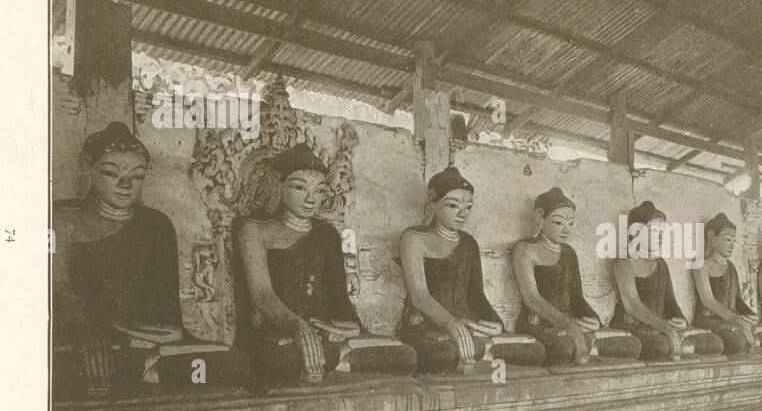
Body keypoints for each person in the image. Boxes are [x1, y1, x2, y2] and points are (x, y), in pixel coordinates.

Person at [54, 122, 248, 396]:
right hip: (86, 339)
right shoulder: (59, 219)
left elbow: (165, 309)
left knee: (233, 363)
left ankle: (146, 370)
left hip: (144, 344)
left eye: (137, 176)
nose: (125, 184)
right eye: (111, 173)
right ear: (88, 167)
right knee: (63, 366)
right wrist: (88, 330)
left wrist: (168, 335)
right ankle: (147, 372)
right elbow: (58, 293)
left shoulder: (156, 224)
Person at [235, 143, 415, 390]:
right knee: (282, 360)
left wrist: (348, 324)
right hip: (278, 332)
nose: (311, 199)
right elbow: (262, 294)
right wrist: (297, 327)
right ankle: (336, 361)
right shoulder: (254, 230)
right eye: (300, 187)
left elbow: (338, 296)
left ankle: (330, 360)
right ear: (278, 184)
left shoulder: (327, 234)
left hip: (325, 334)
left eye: (319, 191)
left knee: (404, 355)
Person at [397, 165, 545, 372]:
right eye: (453, 206)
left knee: (534, 350)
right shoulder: (414, 238)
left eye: (467, 207)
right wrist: (452, 325)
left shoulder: (468, 243)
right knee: (445, 353)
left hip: (469, 320)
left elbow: (476, 295)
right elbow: (420, 295)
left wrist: (494, 323)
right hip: (429, 320)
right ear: (432, 200)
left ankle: (480, 352)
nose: (462, 213)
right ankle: (478, 355)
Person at [512, 187, 640, 365]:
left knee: (630, 345)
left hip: (570, 320)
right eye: (558, 223)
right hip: (540, 320)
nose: (565, 229)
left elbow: (577, 296)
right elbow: (532, 298)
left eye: (570, 223)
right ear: (540, 218)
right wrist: (566, 323)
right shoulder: (525, 249)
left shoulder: (568, 252)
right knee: (566, 347)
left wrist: (593, 318)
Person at [610, 201, 724, 361]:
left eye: (663, 231)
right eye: (654, 231)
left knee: (714, 343)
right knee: (662, 346)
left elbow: (670, 300)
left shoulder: (661, 263)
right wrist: (666, 328)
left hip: (661, 325)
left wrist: (681, 320)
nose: (661, 236)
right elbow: (632, 306)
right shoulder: (624, 262)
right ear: (636, 233)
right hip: (633, 325)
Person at [691, 213, 762, 355]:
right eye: (727, 239)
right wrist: (736, 319)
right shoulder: (702, 265)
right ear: (711, 237)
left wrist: (749, 313)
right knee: (739, 342)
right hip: (708, 318)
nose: (732, 244)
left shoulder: (731, 266)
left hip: (730, 317)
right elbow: (708, 300)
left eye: (734, 240)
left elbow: (738, 299)